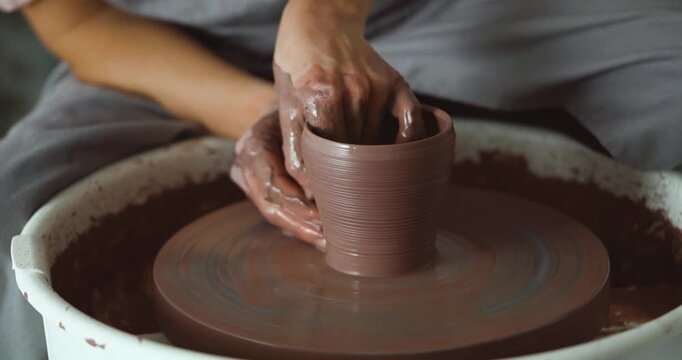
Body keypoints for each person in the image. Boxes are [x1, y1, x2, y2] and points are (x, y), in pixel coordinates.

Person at [0, 0, 680, 359]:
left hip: (451, 9)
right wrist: (265, 112)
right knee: (17, 210)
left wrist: (324, 18)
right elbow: (80, 19)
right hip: (166, 42)